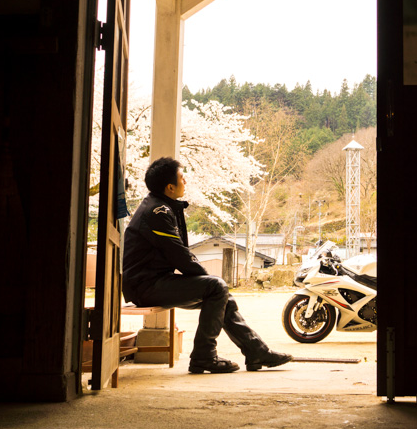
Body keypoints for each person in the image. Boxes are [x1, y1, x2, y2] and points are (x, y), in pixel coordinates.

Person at [122, 157, 292, 374]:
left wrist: (210, 282)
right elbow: (180, 256)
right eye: (182, 178)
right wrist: (209, 280)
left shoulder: (159, 206)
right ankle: (205, 357)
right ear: (170, 187)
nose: (186, 181)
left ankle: (256, 351)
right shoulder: (157, 212)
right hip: (145, 286)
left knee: (220, 292)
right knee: (217, 288)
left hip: (152, 282)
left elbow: (178, 255)